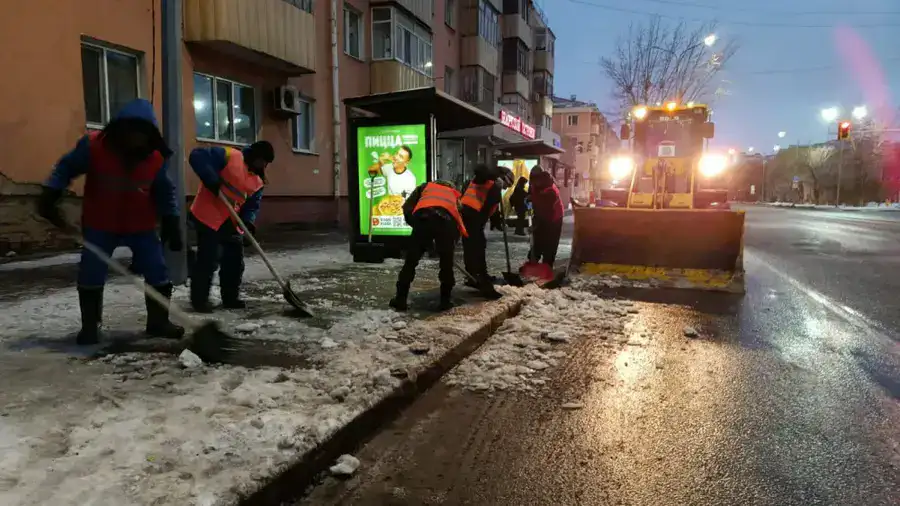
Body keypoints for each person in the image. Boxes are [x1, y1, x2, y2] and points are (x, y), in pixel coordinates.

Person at [37, 99, 185, 344]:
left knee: (157, 269)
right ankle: (90, 327)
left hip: (141, 225)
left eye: (142, 134)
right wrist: (51, 192)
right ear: (120, 129)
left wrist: (171, 220)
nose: (136, 139)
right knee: (91, 272)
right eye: (132, 132)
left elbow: (164, 190)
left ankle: (159, 322)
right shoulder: (94, 147)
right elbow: (66, 168)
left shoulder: (155, 158)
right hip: (100, 223)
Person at [188, 141, 274, 312]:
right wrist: (211, 178)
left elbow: (251, 206)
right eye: (263, 160)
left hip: (230, 220)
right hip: (208, 215)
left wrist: (248, 222)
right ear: (256, 156)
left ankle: (230, 297)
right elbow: (196, 156)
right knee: (209, 259)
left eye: (267, 163)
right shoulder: (230, 156)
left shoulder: (258, 181)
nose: (264, 165)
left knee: (234, 261)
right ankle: (199, 300)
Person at [390, 180, 469, 311]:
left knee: (411, 261)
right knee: (446, 264)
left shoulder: (424, 187)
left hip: (423, 220)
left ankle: (400, 299)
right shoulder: (454, 194)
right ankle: (445, 301)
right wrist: (447, 247)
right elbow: (457, 220)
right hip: (446, 225)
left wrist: (418, 227)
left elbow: (407, 208)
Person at [459, 164, 503, 286]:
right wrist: (490, 220)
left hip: (463, 214)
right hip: (474, 216)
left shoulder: (473, 181)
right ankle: (480, 275)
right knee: (478, 245)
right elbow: (489, 208)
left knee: (469, 246)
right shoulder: (493, 187)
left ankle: (472, 275)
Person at [528, 165, 564, 268]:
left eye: (534, 180)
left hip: (554, 219)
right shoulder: (535, 185)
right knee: (537, 242)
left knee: (549, 244)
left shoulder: (550, 190)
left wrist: (535, 225)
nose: (532, 183)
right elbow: (533, 195)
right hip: (541, 216)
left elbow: (544, 209)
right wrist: (529, 198)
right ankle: (532, 263)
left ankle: (547, 267)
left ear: (540, 179)